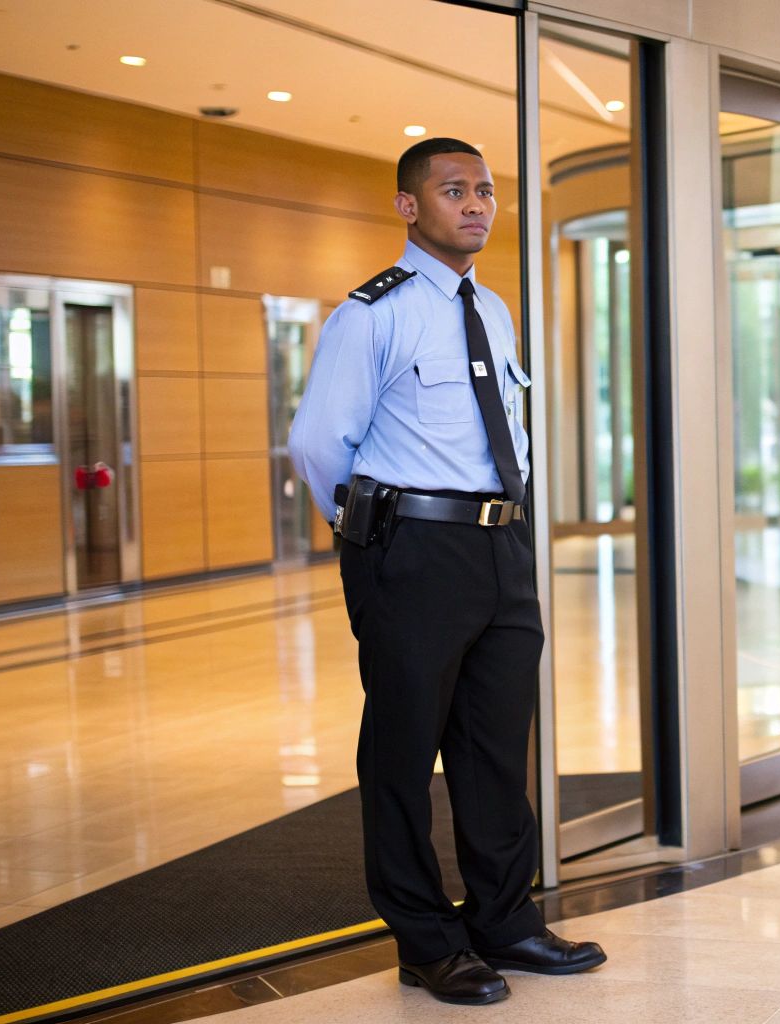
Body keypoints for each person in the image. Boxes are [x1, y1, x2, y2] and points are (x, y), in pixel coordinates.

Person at [289, 137, 605, 1005]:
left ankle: (505, 920)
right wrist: (365, 532)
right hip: (412, 548)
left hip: (501, 546)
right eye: (454, 190)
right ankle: (426, 940)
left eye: (486, 191)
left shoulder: (493, 309)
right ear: (408, 206)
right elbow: (318, 444)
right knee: (402, 749)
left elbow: (506, 425)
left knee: (497, 745)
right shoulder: (374, 314)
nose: (475, 204)